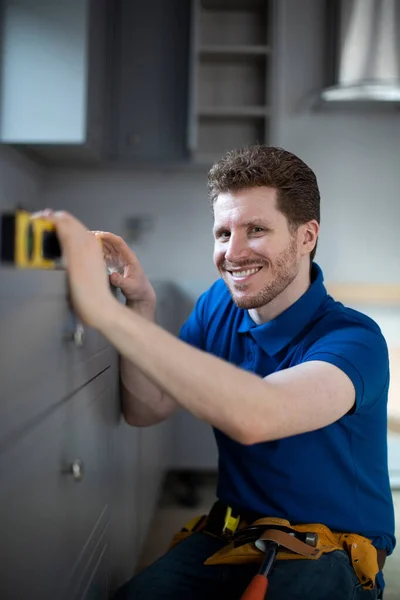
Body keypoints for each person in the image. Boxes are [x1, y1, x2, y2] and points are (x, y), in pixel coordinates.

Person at [36, 146, 395, 600]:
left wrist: (106, 315)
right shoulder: (217, 305)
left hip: (328, 555)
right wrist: (141, 304)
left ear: (306, 237)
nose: (234, 252)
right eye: (223, 233)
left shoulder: (353, 339)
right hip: (230, 538)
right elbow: (148, 408)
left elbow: (257, 416)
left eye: (256, 230)